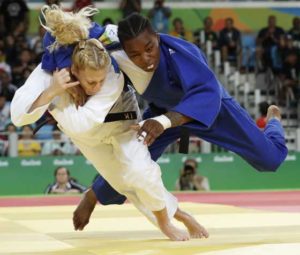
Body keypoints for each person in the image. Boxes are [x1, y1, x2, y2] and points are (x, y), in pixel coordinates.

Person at [67, 13, 287, 231]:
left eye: (150, 48)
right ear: (124, 48)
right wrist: (70, 83)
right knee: (131, 162)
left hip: (213, 110)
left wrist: (162, 121)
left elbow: (206, 93)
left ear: (157, 37)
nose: (145, 58)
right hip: (163, 112)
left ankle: (274, 121)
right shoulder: (110, 43)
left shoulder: (180, 53)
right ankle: (93, 194)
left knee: (270, 159)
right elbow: (70, 33)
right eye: (135, 54)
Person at [11, 5, 208, 241]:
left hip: (121, 123)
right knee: (122, 182)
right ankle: (178, 215)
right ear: (74, 70)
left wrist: (55, 107)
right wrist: (52, 92)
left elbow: (83, 119)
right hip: (87, 137)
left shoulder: (110, 75)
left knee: (139, 171)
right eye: (90, 82)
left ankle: (168, 221)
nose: (96, 86)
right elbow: (18, 116)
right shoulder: (48, 74)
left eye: (99, 81)